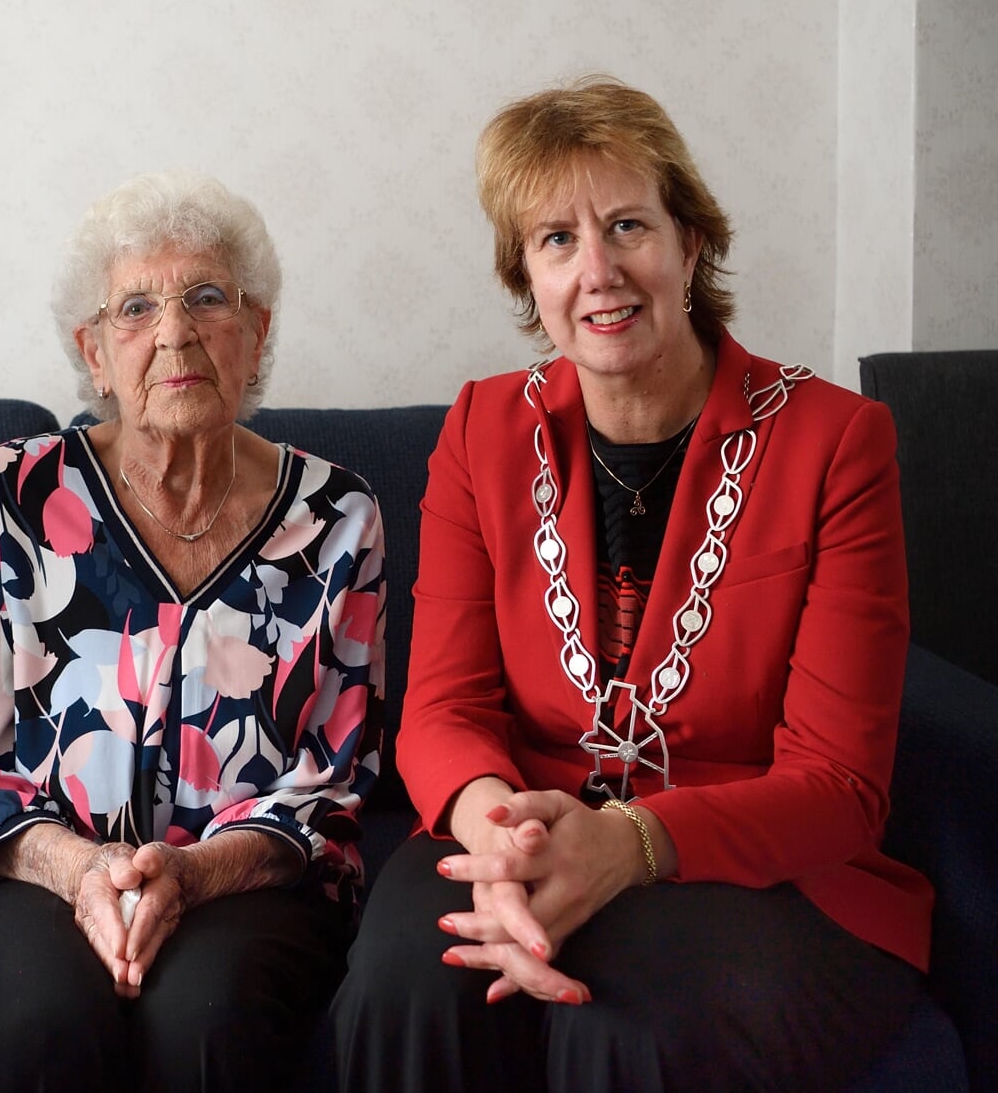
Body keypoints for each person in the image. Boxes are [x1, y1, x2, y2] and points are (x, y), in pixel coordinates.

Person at [330, 76, 932, 1091]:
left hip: (760, 863)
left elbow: (841, 782)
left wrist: (631, 841)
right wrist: (494, 825)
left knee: (626, 1029)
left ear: (691, 242)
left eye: (627, 226)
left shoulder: (836, 440)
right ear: (526, 275)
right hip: (521, 820)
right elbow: (440, 707)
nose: (598, 270)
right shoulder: (480, 429)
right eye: (557, 240)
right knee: (403, 985)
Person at [0, 171, 386, 1093]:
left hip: (249, 880)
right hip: (38, 871)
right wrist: (87, 870)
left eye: (207, 297)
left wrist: (194, 873)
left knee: (209, 1019)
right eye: (136, 307)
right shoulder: (14, 494)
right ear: (95, 354)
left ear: (256, 335)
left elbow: (331, 777)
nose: (175, 332)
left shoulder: (338, 514)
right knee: (39, 1026)